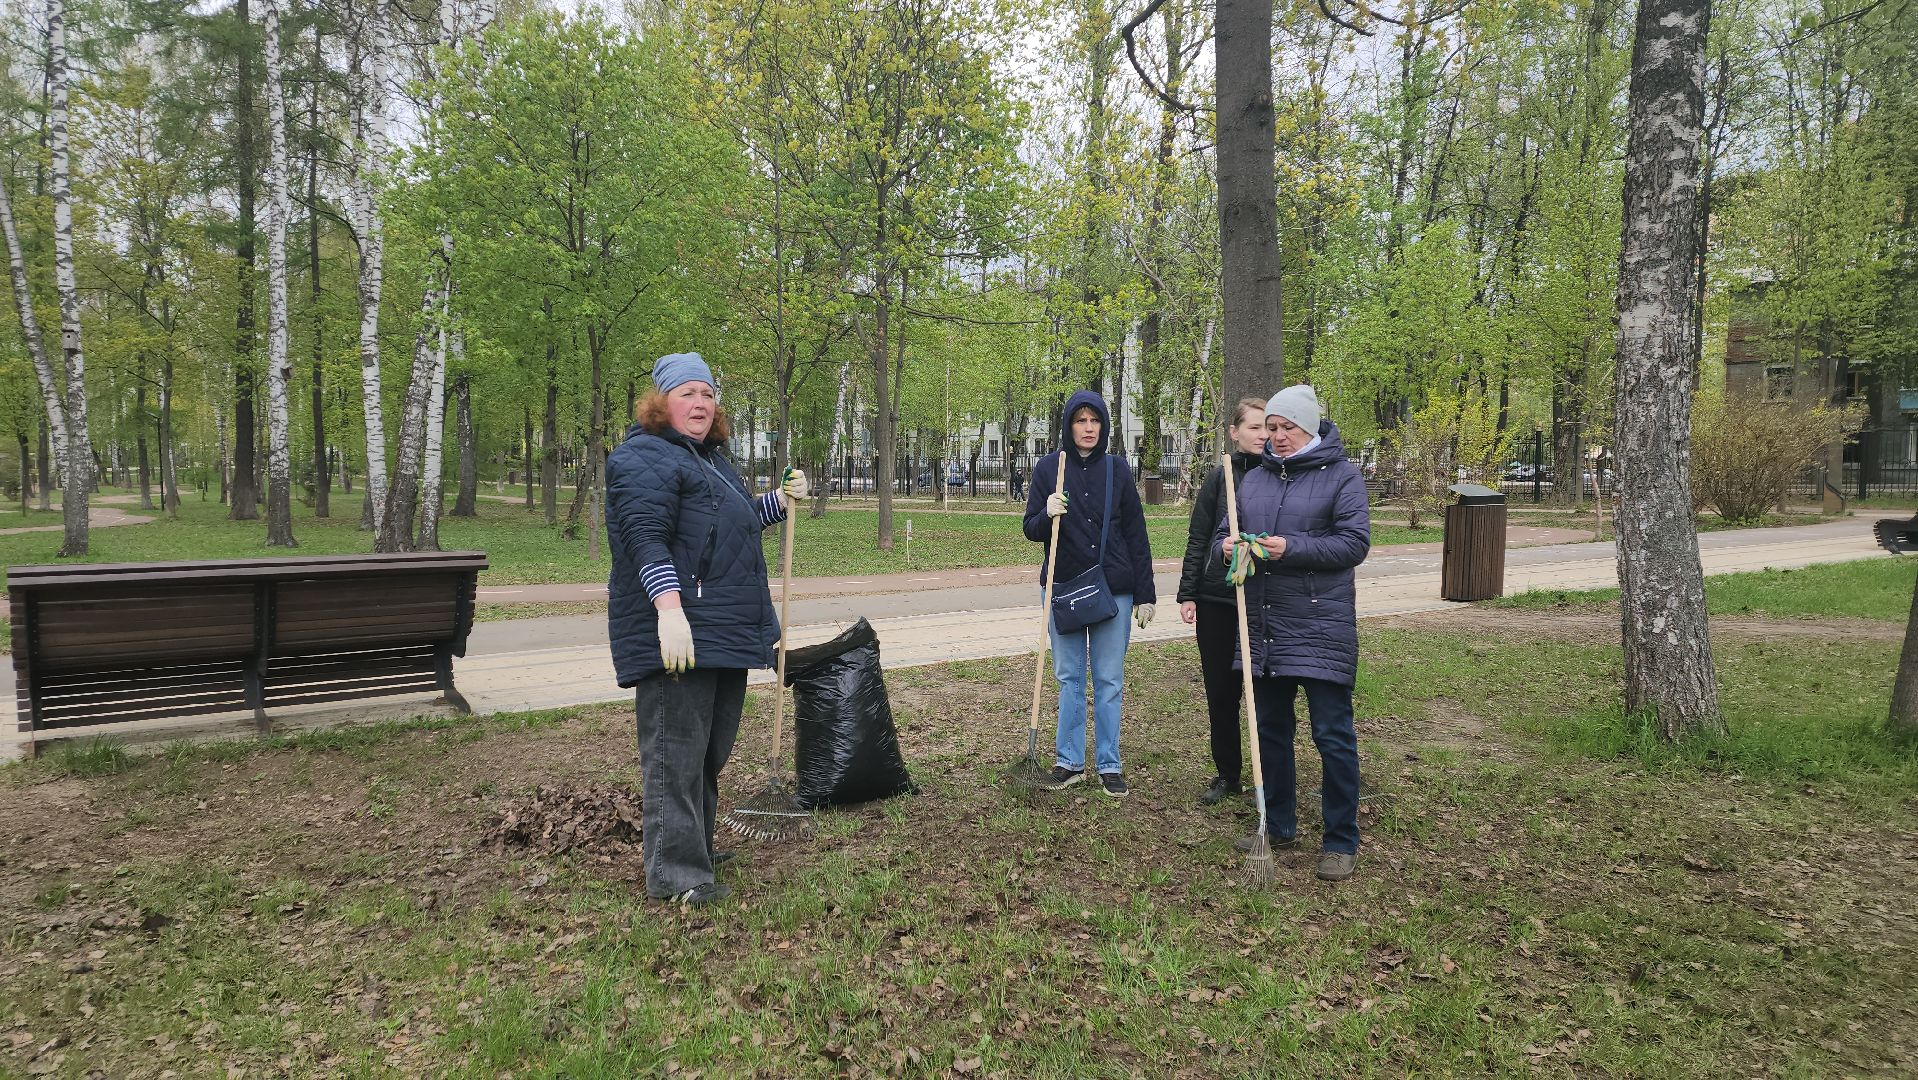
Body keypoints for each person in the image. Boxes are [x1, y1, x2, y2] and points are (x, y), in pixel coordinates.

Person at [605, 352, 808, 906]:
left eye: (708, 394)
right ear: (660, 401)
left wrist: (778, 502)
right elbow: (644, 538)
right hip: (681, 630)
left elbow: (733, 524)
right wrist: (668, 611)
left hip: (723, 630)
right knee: (675, 751)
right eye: (688, 393)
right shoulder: (642, 458)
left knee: (708, 751)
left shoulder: (714, 462)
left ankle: (696, 846)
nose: (700, 404)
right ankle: (675, 873)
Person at [1218, 385, 1371, 881]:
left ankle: (1340, 838)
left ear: (1310, 428)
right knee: (1270, 732)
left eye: (1288, 429)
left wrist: (1291, 549)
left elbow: (1352, 544)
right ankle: (1277, 823)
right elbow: (1228, 527)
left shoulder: (1343, 477)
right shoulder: (1255, 480)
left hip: (1320, 625)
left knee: (1332, 734)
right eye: (1273, 428)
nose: (1277, 438)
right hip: (1264, 625)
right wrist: (1228, 547)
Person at [1022, 391, 1156, 797]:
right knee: (1069, 679)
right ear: (1068, 426)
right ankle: (1069, 761)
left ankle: (1109, 764)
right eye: (1080, 421)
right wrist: (1046, 513)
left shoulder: (1118, 471)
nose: (1088, 428)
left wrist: (1146, 594)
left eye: (1094, 420)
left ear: (1104, 426)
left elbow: (1136, 533)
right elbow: (1030, 530)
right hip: (1063, 590)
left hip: (1112, 590)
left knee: (1109, 680)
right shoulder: (1050, 469)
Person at [1176, 397, 1272, 806]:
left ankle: (1268, 776)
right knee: (1221, 690)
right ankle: (1227, 774)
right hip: (1218, 599)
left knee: (1265, 692)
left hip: (1263, 600)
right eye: (1254, 428)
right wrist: (1188, 592)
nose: (1263, 435)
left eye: (1268, 427)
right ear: (1234, 433)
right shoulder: (1221, 478)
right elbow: (1199, 537)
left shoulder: (1278, 476)